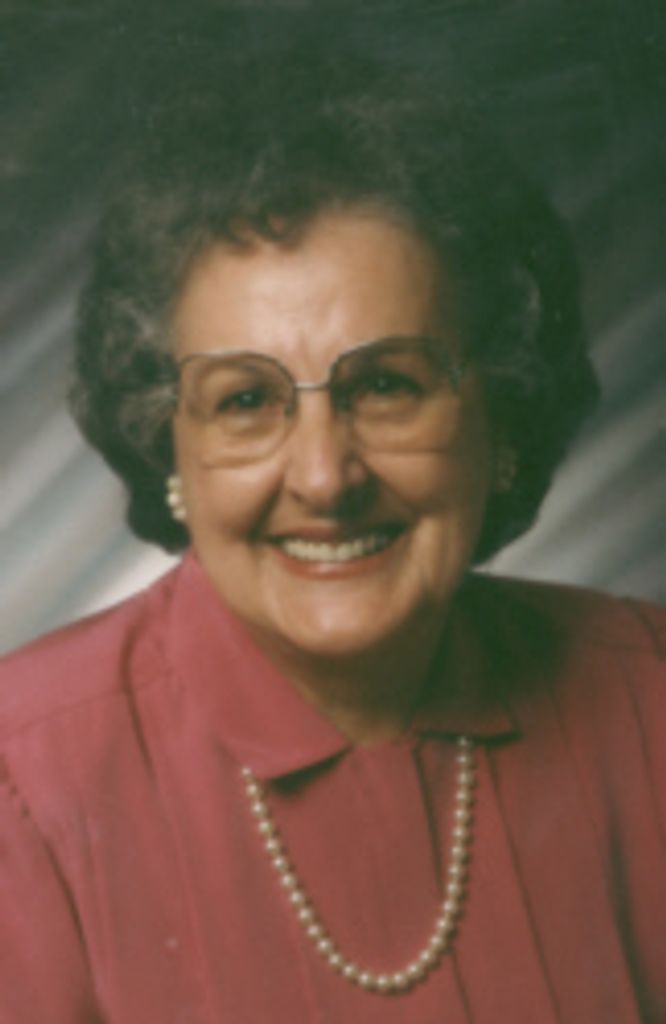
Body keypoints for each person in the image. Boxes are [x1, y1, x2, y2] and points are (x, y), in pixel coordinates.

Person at [1, 43, 664, 1024]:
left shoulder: (648, 696)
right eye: (245, 400)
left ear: (501, 413)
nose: (324, 476)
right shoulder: (22, 781)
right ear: (164, 441)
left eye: (387, 385)